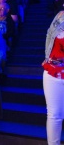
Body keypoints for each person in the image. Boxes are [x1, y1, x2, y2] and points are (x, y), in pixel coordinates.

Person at [42, 10, 64, 144]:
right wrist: (47, 57)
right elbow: (49, 35)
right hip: (53, 71)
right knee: (54, 115)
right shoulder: (60, 15)